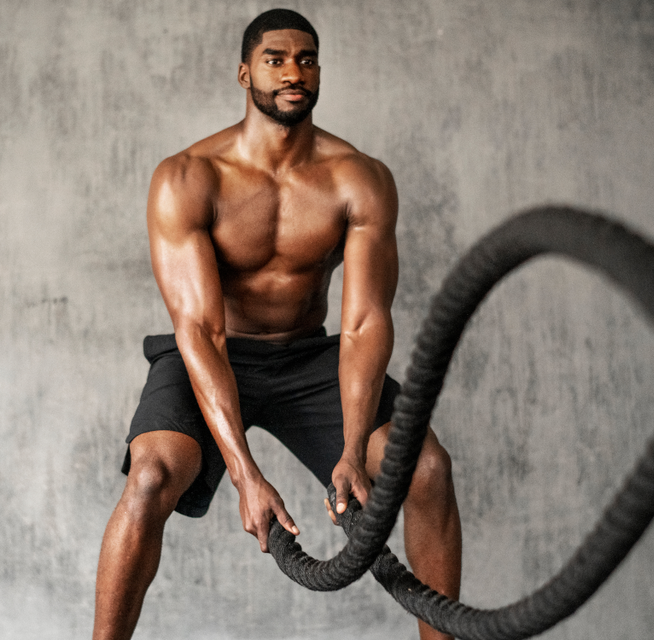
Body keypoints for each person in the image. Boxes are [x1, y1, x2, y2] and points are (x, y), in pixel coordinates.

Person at [93, 9, 461, 640]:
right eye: (276, 59)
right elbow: (201, 330)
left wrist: (350, 451)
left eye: (307, 59)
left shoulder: (358, 179)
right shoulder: (187, 177)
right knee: (151, 474)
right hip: (211, 354)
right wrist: (244, 474)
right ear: (245, 73)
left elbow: (365, 322)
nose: (294, 72)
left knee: (425, 470)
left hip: (310, 361)